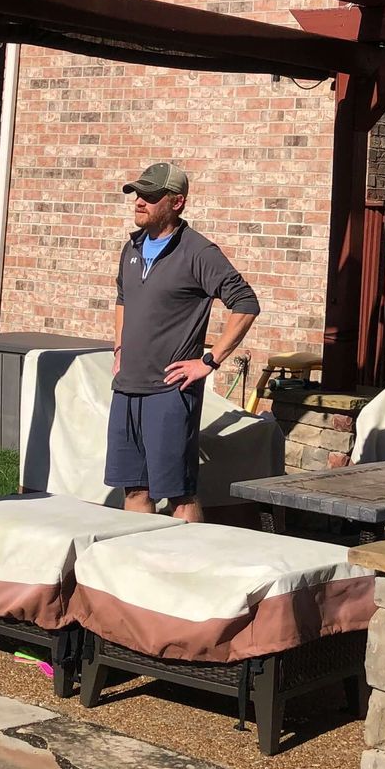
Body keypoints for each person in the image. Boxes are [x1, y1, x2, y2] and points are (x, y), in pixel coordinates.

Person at [112, 161, 259, 521]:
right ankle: (138, 566)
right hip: (128, 386)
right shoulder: (131, 248)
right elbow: (123, 300)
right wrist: (119, 350)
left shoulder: (198, 252)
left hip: (170, 391)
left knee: (178, 492)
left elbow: (246, 303)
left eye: (150, 196)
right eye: (137, 194)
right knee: (135, 488)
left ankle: (190, 570)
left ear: (176, 202)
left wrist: (209, 362)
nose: (139, 202)